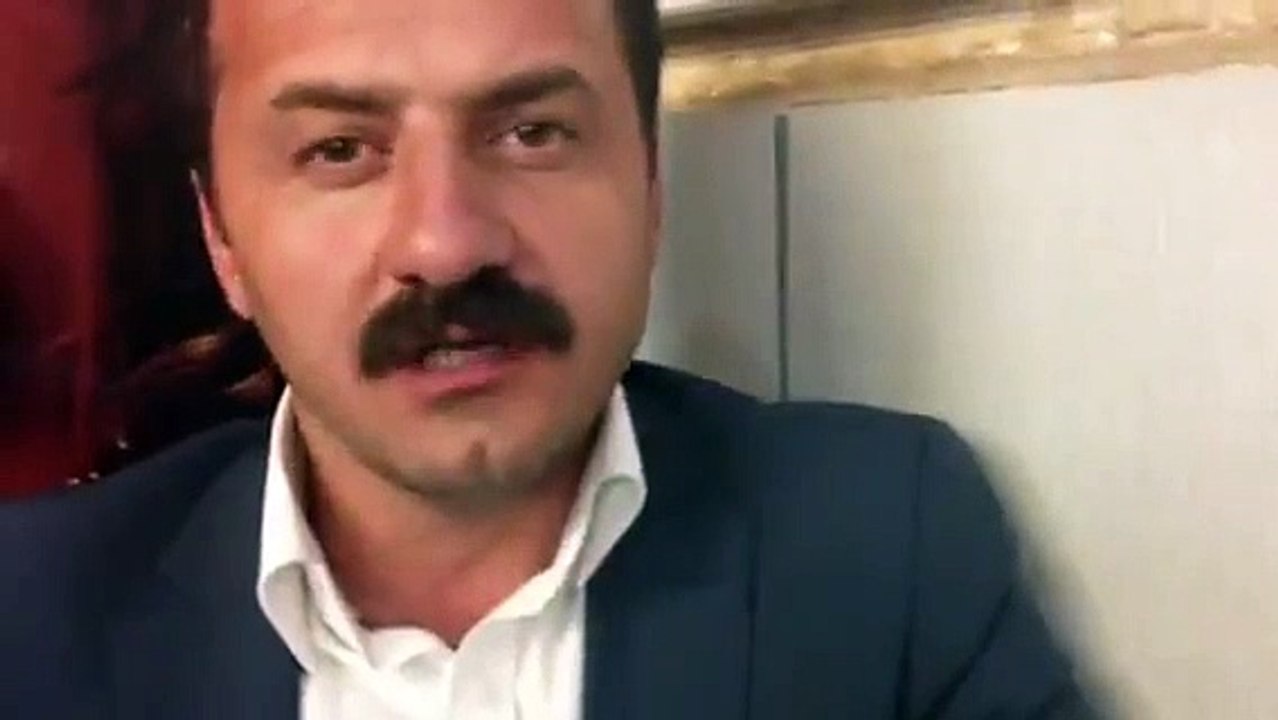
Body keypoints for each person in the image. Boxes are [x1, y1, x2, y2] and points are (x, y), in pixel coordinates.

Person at [0, 0, 1102, 717]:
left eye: (532, 133)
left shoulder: (894, 549)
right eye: (340, 150)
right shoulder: (31, 616)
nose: (447, 243)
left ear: (652, 185)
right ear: (222, 241)